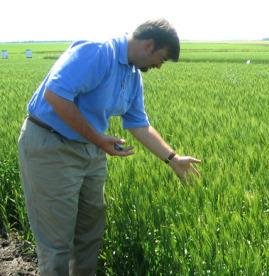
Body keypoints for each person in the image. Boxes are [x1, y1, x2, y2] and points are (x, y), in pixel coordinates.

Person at [17, 18, 201, 275]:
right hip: (52, 147)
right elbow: (55, 95)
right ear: (149, 45)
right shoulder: (98, 52)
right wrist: (98, 139)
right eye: (160, 59)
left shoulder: (133, 76)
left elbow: (138, 124)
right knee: (57, 242)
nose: (158, 67)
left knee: (89, 235)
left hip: (90, 151)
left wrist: (173, 158)